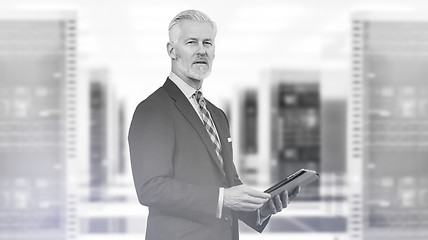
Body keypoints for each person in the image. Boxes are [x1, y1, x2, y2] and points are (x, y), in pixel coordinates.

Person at [128, 9, 300, 240]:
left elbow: (229, 184)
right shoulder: (153, 110)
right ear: (172, 51)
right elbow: (151, 188)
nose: (201, 50)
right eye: (191, 42)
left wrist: (260, 208)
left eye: (207, 43)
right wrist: (222, 198)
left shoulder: (216, 114)